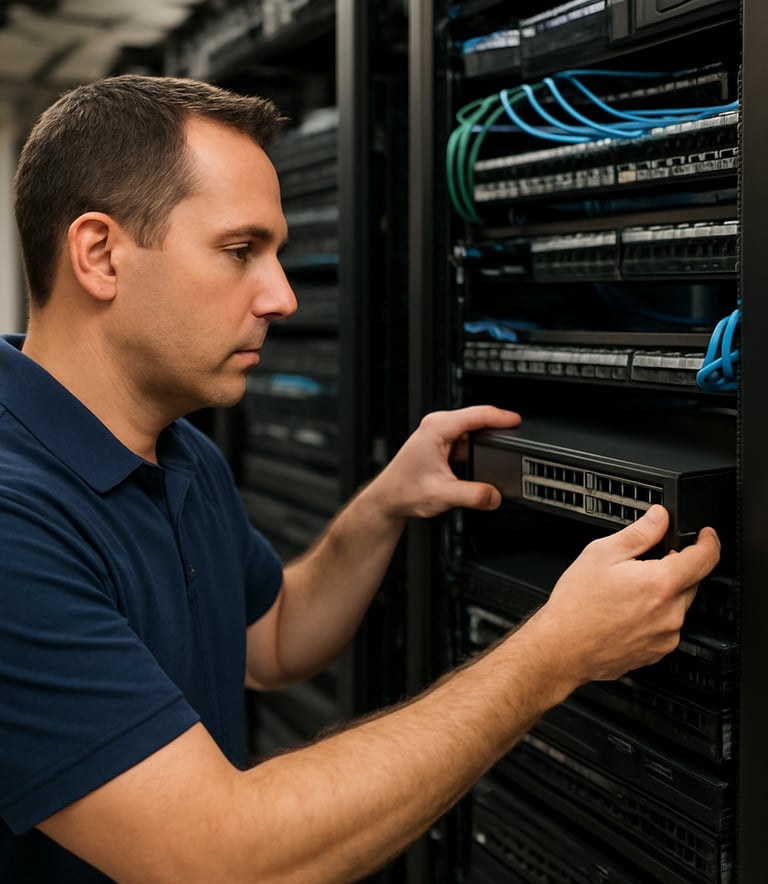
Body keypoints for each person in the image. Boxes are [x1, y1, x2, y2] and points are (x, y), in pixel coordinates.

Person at [0, 74, 720, 884]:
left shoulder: (176, 448)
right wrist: (553, 655)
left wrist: (384, 505)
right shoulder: (14, 518)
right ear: (99, 253)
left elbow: (267, 644)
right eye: (240, 252)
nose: (282, 296)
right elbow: (219, 861)